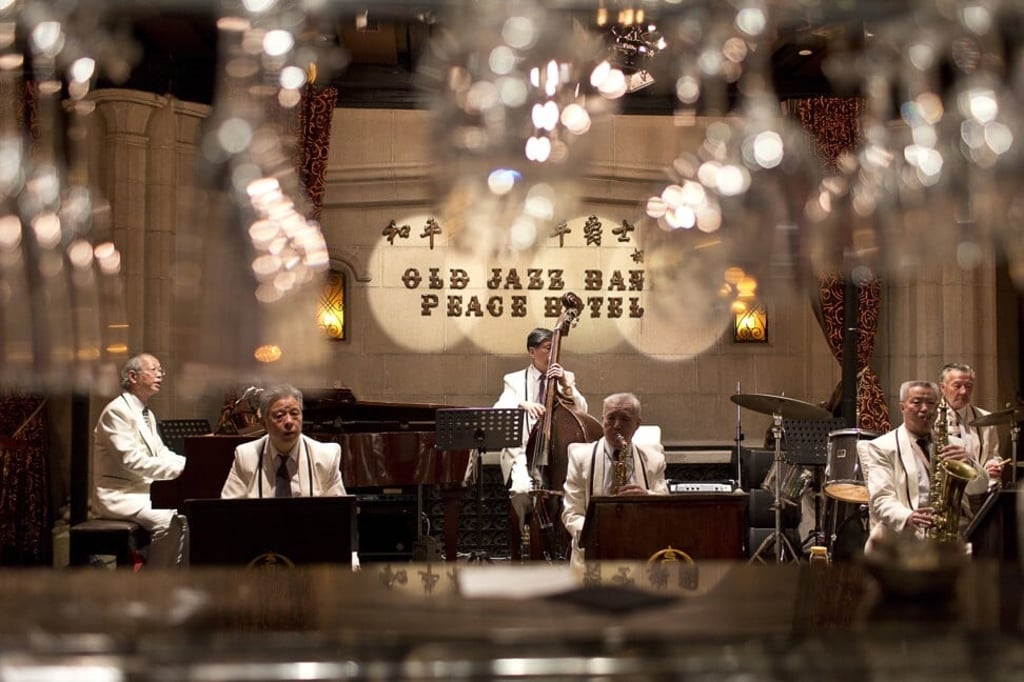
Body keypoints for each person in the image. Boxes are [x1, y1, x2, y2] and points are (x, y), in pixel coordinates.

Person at [858, 381, 1003, 552]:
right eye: (917, 402)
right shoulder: (882, 447)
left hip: (951, 529)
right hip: (906, 531)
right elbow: (881, 498)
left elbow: (979, 487)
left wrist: (970, 463)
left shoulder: (954, 443)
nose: (925, 409)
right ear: (902, 407)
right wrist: (908, 517)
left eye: (930, 403)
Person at [92, 353, 187, 567]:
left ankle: (173, 580)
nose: (160, 375)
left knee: (185, 515)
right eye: (153, 370)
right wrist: (181, 471)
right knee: (169, 521)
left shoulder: (146, 413)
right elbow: (132, 461)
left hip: (141, 491)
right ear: (133, 377)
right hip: (118, 494)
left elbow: (161, 452)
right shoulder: (117, 411)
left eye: (161, 370)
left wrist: (189, 464)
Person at [493, 327, 589, 528]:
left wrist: (565, 383)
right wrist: (522, 404)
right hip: (522, 451)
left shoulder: (566, 377)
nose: (553, 354)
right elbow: (499, 408)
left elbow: (582, 410)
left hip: (556, 454)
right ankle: (525, 531)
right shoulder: (514, 379)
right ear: (532, 351)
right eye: (547, 348)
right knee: (520, 491)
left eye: (555, 348)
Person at [562, 392, 668, 567]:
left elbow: (666, 505)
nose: (616, 426)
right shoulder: (580, 457)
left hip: (640, 550)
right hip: (593, 552)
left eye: (625, 419)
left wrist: (647, 497)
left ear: (637, 424)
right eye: (611, 418)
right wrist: (596, 535)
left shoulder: (654, 458)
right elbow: (571, 512)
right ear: (602, 420)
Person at [220, 384, 347, 499]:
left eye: (294, 413)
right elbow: (229, 512)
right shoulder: (246, 457)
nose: (289, 422)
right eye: (279, 415)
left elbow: (338, 514)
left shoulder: (326, 457)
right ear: (264, 423)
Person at [938, 362, 1001, 471]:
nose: (963, 391)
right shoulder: (930, 418)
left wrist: (993, 464)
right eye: (957, 386)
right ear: (943, 387)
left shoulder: (986, 418)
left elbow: (992, 455)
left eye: (968, 386)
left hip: (976, 483)